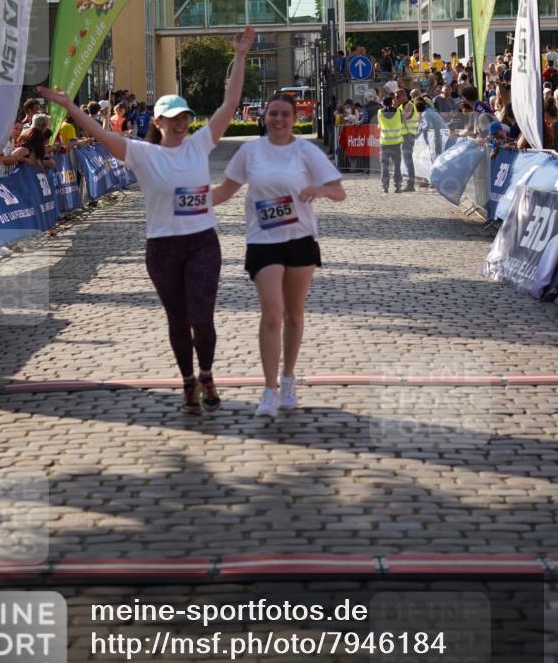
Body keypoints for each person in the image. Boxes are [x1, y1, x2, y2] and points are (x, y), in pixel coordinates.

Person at [38, 26, 256, 415]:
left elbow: (230, 103)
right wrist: (69, 105)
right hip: (163, 248)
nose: (179, 123)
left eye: (184, 116)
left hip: (202, 242)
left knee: (202, 316)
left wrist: (240, 56)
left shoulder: (200, 144)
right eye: (171, 118)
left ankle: (207, 373)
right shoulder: (141, 153)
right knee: (178, 319)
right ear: (157, 122)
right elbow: (99, 133)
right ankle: (187, 381)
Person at [212, 92, 345, 418]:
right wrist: (182, 200)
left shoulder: (306, 151)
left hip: (300, 239)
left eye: (285, 114)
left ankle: (288, 379)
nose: (279, 119)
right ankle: (269, 389)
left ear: (295, 119)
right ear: (264, 116)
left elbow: (339, 191)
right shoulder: (250, 151)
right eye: (273, 113)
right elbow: (224, 191)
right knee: (272, 312)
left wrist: (320, 189)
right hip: (263, 240)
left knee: (294, 315)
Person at [377, 94, 404, 194]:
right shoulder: (398, 111)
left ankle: (385, 187)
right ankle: (398, 186)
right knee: (397, 165)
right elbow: (402, 122)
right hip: (396, 142)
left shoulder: (380, 112)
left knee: (384, 165)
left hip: (385, 142)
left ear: (383, 103)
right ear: (392, 102)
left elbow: (379, 126)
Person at [395, 88, 417, 192]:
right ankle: (409, 183)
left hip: (408, 135)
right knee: (406, 160)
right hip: (403, 136)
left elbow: (402, 117)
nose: (396, 99)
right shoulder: (400, 107)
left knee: (408, 160)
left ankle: (410, 184)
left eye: (397, 97)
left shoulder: (410, 105)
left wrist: (395, 108)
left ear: (404, 96)